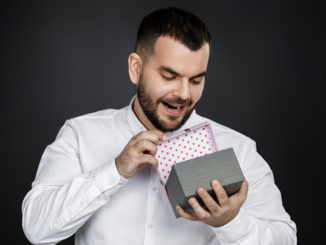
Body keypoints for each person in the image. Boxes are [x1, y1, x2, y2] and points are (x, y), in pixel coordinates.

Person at [22, 7, 297, 245]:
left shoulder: (238, 149)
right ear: (136, 68)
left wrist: (231, 222)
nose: (184, 93)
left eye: (196, 80)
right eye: (169, 76)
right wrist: (114, 171)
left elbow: (286, 238)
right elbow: (37, 229)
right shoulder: (81, 134)